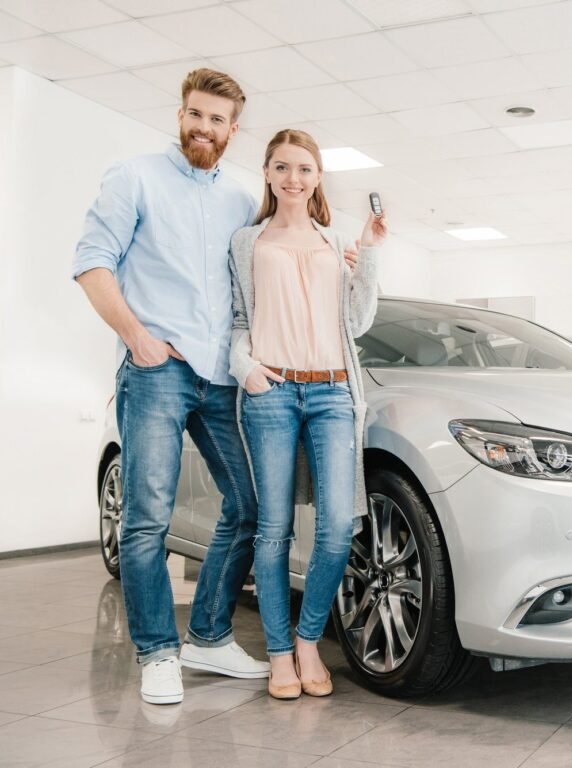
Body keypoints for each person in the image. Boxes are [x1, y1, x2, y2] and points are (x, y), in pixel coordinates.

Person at [73, 69, 274, 705]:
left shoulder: (240, 200)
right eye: (195, 115)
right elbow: (91, 262)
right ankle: (157, 652)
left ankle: (209, 636)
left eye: (217, 120)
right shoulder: (133, 176)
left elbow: (261, 278)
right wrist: (137, 336)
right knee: (146, 520)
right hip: (157, 369)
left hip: (220, 378)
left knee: (250, 506)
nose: (203, 128)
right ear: (180, 114)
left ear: (233, 130)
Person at [229, 129, 387, 699]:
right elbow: (238, 319)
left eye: (304, 168)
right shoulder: (246, 242)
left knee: (338, 529)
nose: (293, 178)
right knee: (272, 531)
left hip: (333, 393)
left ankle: (307, 642)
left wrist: (367, 253)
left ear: (318, 178)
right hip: (270, 392)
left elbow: (357, 321)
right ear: (268, 174)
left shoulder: (332, 240)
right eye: (282, 167)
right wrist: (243, 365)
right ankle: (278, 653)